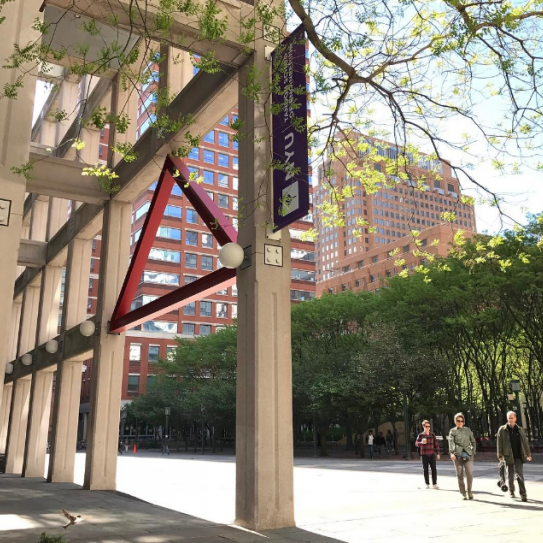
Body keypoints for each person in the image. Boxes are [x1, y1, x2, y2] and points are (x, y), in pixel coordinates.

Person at [497, 411, 532, 502]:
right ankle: (511, 491)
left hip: (519, 456)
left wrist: (528, 454)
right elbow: (499, 443)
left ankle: (523, 494)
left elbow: (525, 443)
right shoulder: (502, 430)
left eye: (512, 418)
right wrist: (500, 455)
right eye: (509, 418)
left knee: (520, 476)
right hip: (508, 456)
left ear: (515, 419)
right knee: (510, 475)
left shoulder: (520, 430)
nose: (510, 420)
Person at [448, 412, 476, 500]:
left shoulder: (467, 430)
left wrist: (473, 452)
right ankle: (463, 492)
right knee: (459, 475)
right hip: (457, 455)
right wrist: (452, 453)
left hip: (468, 453)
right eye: (458, 420)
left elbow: (473, 441)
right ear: (455, 421)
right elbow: (451, 442)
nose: (460, 422)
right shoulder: (453, 431)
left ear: (464, 421)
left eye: (462, 420)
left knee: (469, 474)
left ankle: (469, 491)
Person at [415, 420, 441, 489]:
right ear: (423, 426)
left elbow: (436, 444)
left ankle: (434, 483)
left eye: (429, 426)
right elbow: (416, 443)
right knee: (425, 469)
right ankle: (427, 483)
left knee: (434, 469)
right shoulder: (421, 435)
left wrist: (438, 453)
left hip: (432, 454)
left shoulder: (432, 435)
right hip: (424, 454)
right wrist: (421, 443)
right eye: (426, 426)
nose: (428, 428)